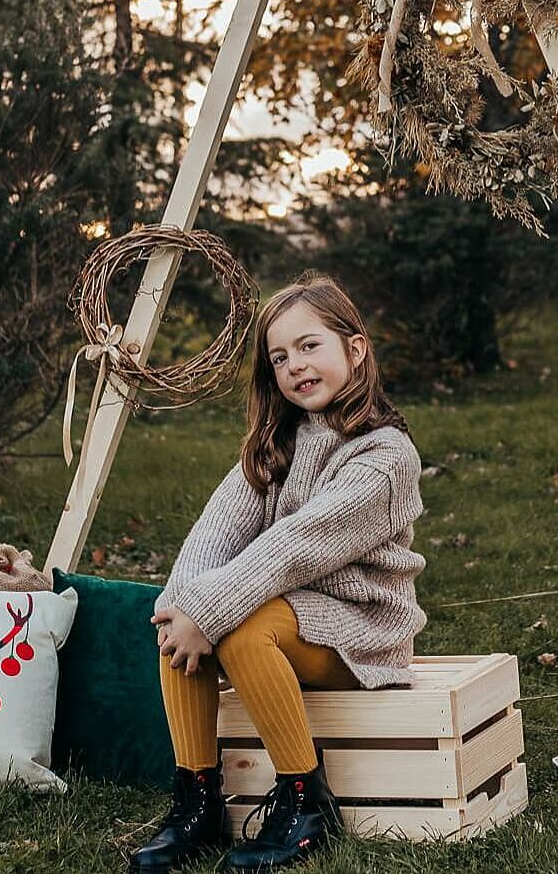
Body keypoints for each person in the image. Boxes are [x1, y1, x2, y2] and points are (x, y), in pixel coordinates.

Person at [130, 272, 427, 873]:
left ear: (356, 348)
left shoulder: (384, 456)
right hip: (283, 611)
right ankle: (197, 801)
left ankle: (304, 802)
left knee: (236, 623)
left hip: (359, 633)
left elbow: (296, 546)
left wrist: (208, 611)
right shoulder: (277, 441)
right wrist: (183, 606)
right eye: (280, 356)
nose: (295, 365)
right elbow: (214, 533)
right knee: (182, 615)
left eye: (310, 345)